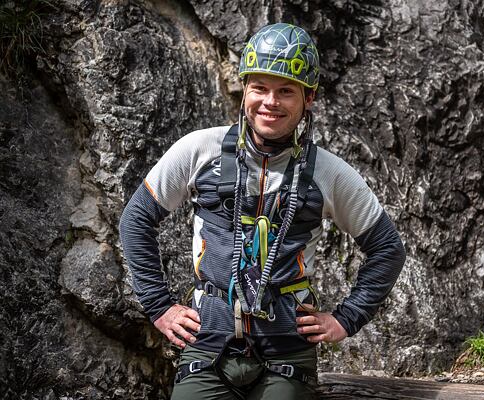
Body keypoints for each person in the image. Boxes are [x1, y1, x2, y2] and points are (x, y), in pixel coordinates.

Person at [120, 22, 406, 399]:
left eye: (286, 91)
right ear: (244, 91)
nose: (270, 102)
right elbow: (136, 220)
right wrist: (159, 307)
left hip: (286, 348)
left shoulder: (328, 172)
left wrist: (345, 319)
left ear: (309, 97)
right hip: (207, 342)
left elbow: (387, 248)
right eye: (260, 88)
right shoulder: (199, 150)